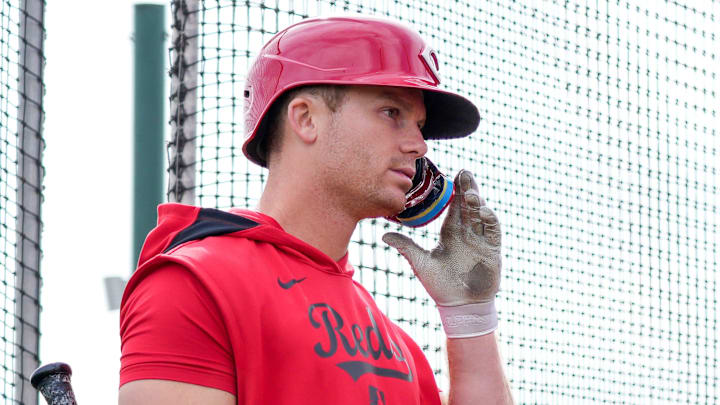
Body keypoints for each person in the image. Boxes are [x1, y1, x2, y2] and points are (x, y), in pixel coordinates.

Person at [118, 16, 513, 405]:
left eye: (420, 126)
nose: (418, 145)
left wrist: (470, 316)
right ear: (306, 119)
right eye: (392, 113)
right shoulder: (196, 282)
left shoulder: (400, 350)